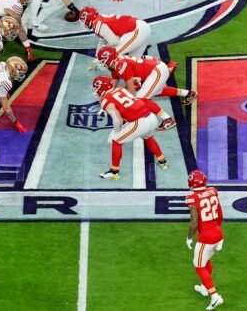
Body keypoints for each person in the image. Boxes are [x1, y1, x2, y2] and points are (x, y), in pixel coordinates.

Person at [93, 76, 176, 181]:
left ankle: (114, 172)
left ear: (101, 88)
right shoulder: (121, 89)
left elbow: (117, 119)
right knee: (148, 137)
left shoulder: (105, 100)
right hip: (151, 117)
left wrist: (116, 131)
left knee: (116, 141)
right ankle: (163, 162)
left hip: (139, 122)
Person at [95, 46, 195, 104]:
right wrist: (107, 97)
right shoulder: (116, 64)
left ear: (110, 59)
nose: (101, 63)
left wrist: (123, 104)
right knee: (156, 91)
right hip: (151, 71)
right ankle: (188, 93)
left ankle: (166, 119)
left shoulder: (121, 66)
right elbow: (112, 86)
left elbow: (132, 91)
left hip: (156, 71)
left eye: (102, 61)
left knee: (139, 98)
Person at [185, 169, 225, 310]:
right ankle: (204, 287)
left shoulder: (192, 197)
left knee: (199, 265)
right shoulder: (213, 191)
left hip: (207, 237)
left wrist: (189, 237)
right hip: (218, 232)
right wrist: (218, 233)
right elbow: (220, 214)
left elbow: (194, 222)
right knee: (206, 260)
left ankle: (215, 296)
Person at [79, 6, 150, 57]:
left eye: (83, 20)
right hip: (140, 27)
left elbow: (114, 42)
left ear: (88, 19)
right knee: (134, 61)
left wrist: (102, 54)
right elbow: (102, 41)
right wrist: (97, 56)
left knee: (110, 55)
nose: (83, 23)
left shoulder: (97, 25)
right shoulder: (100, 18)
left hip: (137, 30)